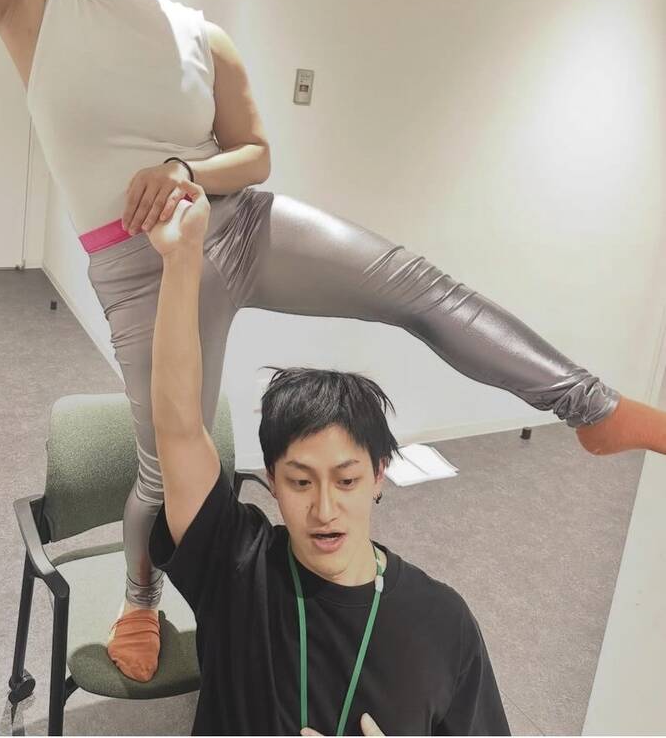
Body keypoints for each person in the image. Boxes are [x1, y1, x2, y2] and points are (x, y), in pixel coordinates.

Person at [0, 0, 664, 685]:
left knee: (417, 287)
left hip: (242, 225)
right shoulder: (33, 4)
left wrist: (186, 168)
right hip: (141, 268)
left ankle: (592, 408)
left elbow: (253, 153)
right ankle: (140, 600)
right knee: (167, 465)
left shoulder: (200, 35)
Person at [146, 182, 510, 736]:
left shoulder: (443, 623)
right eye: (300, 482)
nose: (324, 509)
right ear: (272, 480)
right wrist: (181, 259)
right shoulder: (235, 567)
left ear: (379, 475)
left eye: (346, 480)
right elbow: (177, 427)